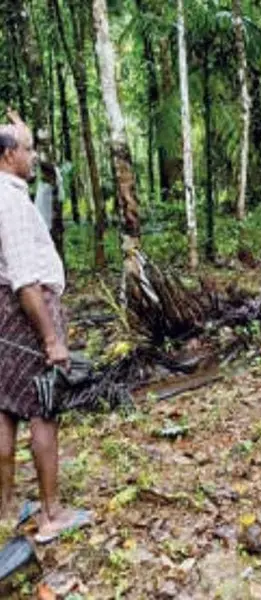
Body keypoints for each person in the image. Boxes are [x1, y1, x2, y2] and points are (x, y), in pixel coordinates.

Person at [0, 111, 91, 542]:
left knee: (4, 408)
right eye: (27, 149)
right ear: (7, 155)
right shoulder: (11, 201)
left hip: (5, 315)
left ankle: (6, 508)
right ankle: (52, 513)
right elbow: (24, 278)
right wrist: (52, 338)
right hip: (26, 314)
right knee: (44, 408)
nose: (33, 157)